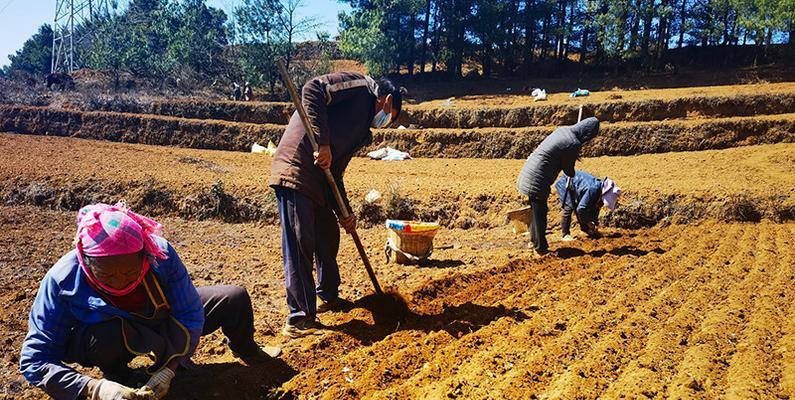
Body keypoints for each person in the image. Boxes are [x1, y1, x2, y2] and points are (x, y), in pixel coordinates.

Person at [19, 203, 281, 400]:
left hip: (158, 319)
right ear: (86, 261)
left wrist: (170, 367)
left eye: (129, 272)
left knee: (233, 298)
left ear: (144, 257)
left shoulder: (160, 255)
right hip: (105, 337)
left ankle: (247, 350)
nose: (119, 282)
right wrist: (92, 388)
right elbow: (35, 359)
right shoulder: (63, 279)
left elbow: (189, 314)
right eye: (107, 274)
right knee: (107, 336)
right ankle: (118, 376)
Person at [269, 72, 404, 338]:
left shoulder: (360, 130)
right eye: (391, 116)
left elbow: (336, 172)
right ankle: (299, 319)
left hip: (319, 180)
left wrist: (345, 212)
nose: (386, 123)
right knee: (300, 241)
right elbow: (312, 89)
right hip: (296, 169)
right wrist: (323, 142)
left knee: (329, 234)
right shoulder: (361, 88)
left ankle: (327, 295)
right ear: (386, 101)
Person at [516, 117, 600, 256]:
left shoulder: (564, 130)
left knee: (536, 211)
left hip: (527, 173)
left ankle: (533, 241)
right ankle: (540, 248)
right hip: (537, 179)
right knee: (540, 212)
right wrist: (574, 158)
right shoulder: (573, 143)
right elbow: (569, 171)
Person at [554, 171, 622, 241]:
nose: (602, 204)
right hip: (566, 184)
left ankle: (585, 229)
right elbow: (581, 209)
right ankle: (565, 234)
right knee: (568, 208)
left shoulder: (599, 191)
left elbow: (595, 208)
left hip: (576, 187)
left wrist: (594, 224)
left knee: (583, 207)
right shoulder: (593, 189)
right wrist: (589, 222)